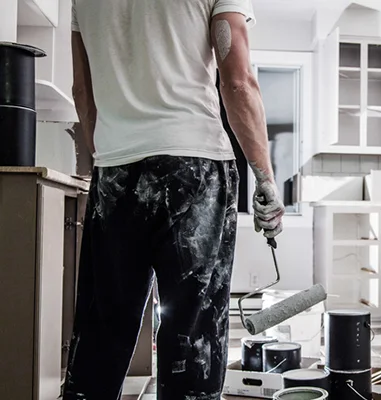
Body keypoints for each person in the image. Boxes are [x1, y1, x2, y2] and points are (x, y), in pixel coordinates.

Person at [63, 0, 284, 399]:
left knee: (103, 327)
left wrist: (109, 156)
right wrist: (265, 176)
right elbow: (237, 82)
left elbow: (83, 89)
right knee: (192, 334)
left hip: (115, 170)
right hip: (194, 168)